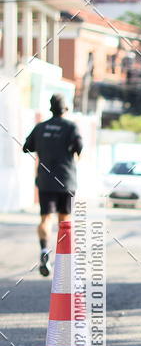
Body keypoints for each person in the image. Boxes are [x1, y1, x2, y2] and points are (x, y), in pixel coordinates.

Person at [23, 94, 82, 277]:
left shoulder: (40, 127)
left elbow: (26, 147)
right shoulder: (71, 127)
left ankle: (43, 250)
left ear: (51, 108)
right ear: (66, 109)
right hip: (66, 180)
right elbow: (79, 148)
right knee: (65, 221)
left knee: (45, 219)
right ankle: (64, 260)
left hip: (46, 181)